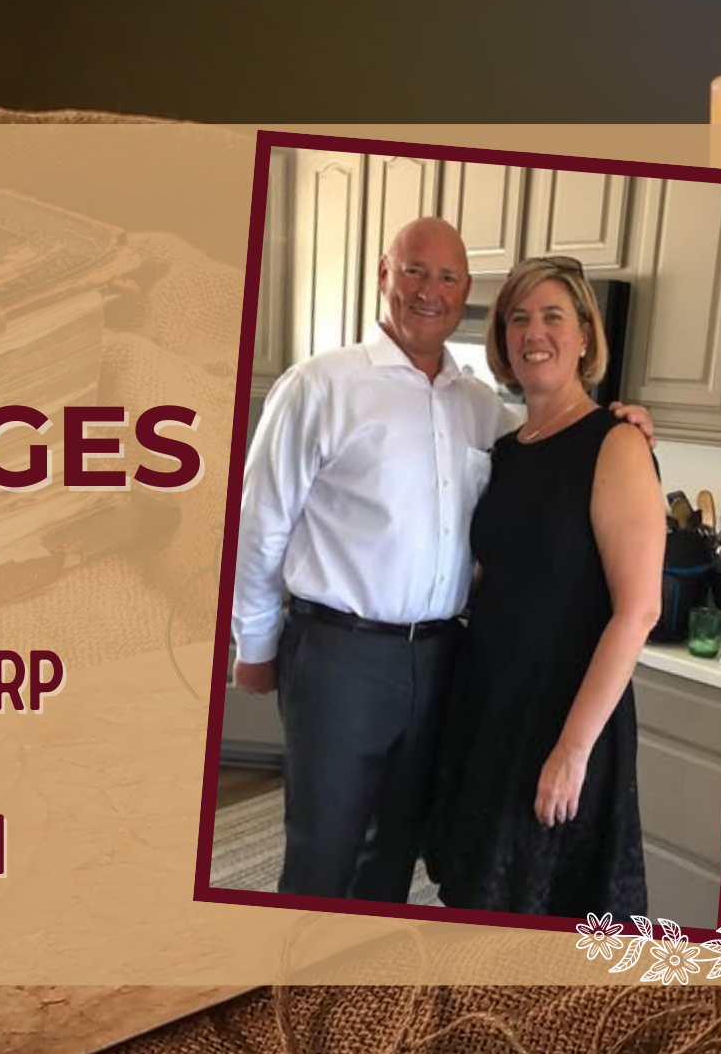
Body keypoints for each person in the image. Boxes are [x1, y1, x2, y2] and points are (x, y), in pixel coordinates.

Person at [230, 218, 649, 905]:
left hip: (446, 662)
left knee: (396, 851)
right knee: (323, 854)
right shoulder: (320, 385)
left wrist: (626, 426)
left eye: (449, 277)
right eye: (415, 271)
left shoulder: (483, 411)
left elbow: (547, 488)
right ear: (383, 275)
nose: (430, 291)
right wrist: (255, 644)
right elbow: (261, 523)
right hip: (341, 653)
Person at [425, 255, 663, 917]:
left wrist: (572, 750)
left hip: (564, 715)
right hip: (492, 707)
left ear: (585, 334)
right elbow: (496, 575)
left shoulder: (615, 444)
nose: (534, 332)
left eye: (553, 316)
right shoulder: (507, 450)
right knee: (477, 899)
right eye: (518, 319)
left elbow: (639, 610)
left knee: (542, 910)